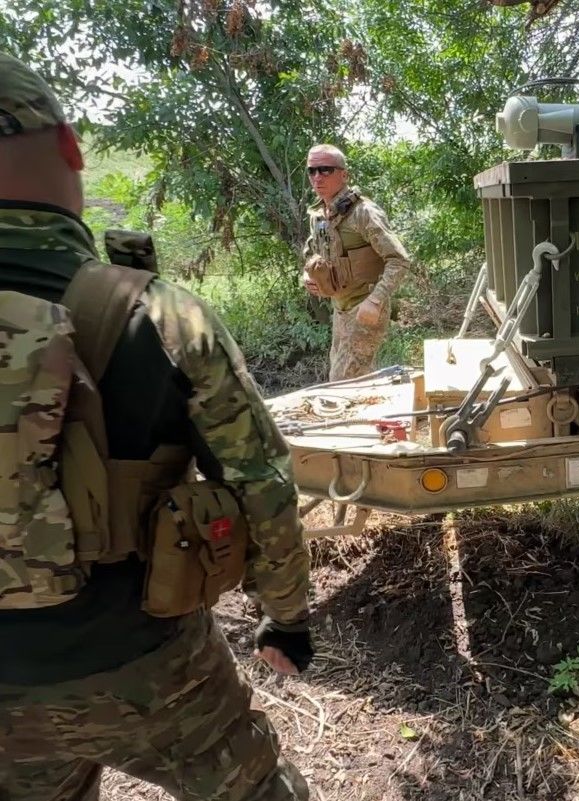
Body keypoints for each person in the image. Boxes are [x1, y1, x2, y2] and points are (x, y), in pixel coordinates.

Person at [0, 52, 313, 800]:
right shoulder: (158, 316)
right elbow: (260, 483)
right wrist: (288, 617)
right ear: (72, 149)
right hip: (154, 670)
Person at [300, 143, 411, 382]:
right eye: (312, 171)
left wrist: (375, 301)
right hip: (341, 309)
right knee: (349, 380)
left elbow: (399, 260)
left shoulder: (364, 213)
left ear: (344, 174)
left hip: (365, 307)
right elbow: (310, 251)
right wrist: (308, 276)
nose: (317, 177)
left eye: (325, 170)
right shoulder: (321, 214)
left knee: (345, 383)